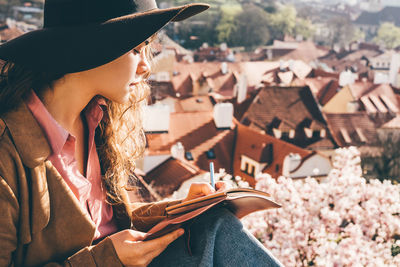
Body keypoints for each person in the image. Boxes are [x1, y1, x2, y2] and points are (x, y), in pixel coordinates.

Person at [0, 0, 284, 266]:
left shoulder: (97, 121)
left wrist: (179, 211)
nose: (146, 66)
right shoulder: (7, 153)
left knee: (216, 225)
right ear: (91, 46)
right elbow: (104, 250)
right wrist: (106, 260)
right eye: (136, 49)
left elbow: (110, 232)